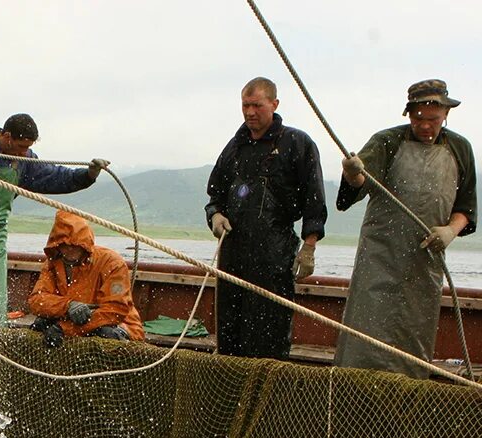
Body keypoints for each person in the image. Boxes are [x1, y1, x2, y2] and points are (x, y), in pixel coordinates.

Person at [334, 79, 477, 379]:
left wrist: (450, 231)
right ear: (408, 115)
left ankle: (404, 414)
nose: (425, 126)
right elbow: (359, 185)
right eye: (418, 119)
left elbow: (466, 208)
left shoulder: (460, 149)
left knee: (413, 346)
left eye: (433, 120)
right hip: (379, 260)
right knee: (365, 341)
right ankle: (355, 403)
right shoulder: (386, 142)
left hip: (424, 265)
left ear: (446, 115)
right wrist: (352, 173)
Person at [204, 77, 327, 360]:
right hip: (233, 253)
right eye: (245, 105)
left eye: (257, 105)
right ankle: (233, 394)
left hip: (274, 254)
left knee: (268, 333)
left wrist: (308, 246)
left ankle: (266, 396)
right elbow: (215, 196)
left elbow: (314, 201)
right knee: (230, 333)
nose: (250, 112)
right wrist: (215, 216)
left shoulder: (297, 143)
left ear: (274, 104)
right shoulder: (235, 147)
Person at [0, 113, 107, 324]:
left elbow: (55, 177)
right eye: (21, 146)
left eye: (28, 147)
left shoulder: (25, 161)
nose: (25, 152)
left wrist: (88, 175)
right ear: (6, 136)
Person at [28, 210, 144, 343]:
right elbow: (37, 300)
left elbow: (115, 310)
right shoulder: (52, 264)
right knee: (40, 324)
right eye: (64, 245)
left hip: (117, 325)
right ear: (56, 245)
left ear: (85, 244)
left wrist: (65, 329)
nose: (69, 249)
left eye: (75, 244)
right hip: (71, 321)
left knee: (105, 334)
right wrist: (67, 306)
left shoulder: (112, 263)